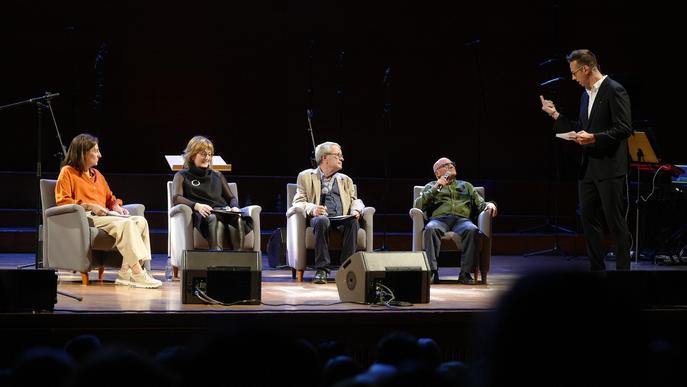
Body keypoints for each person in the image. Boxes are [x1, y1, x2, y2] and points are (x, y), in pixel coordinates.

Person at [540, 49, 632, 271]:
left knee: (615, 222)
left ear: (586, 68)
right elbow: (582, 129)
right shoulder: (586, 95)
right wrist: (555, 115)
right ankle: (597, 272)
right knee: (589, 221)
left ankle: (623, 275)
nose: (573, 78)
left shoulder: (614, 90)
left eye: (574, 73)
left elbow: (623, 128)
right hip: (589, 168)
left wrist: (594, 138)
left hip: (609, 168)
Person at [55, 133, 161, 288]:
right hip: (85, 218)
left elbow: (110, 198)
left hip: (105, 216)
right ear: (83, 152)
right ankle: (138, 272)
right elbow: (62, 201)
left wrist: (117, 206)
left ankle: (125, 273)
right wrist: (90, 206)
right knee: (127, 225)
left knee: (140, 221)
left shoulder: (97, 174)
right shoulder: (67, 172)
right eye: (96, 151)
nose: (100, 155)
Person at [415, 157, 497, 284]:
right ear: (437, 172)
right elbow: (418, 206)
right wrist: (437, 186)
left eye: (451, 164)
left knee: (472, 230)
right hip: (439, 220)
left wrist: (489, 205)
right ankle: (432, 272)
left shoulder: (466, 185)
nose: (451, 166)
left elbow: (481, 204)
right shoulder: (431, 186)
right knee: (430, 228)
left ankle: (465, 274)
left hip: (462, 220)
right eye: (446, 165)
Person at [292, 141, 365, 284]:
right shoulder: (305, 176)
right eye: (338, 155)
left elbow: (355, 199)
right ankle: (321, 270)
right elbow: (298, 202)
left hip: (341, 218)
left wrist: (356, 209)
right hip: (320, 218)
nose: (342, 159)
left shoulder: (346, 180)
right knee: (322, 221)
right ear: (325, 158)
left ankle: (346, 269)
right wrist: (313, 208)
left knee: (353, 222)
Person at [172, 136, 253, 251]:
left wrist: (235, 207)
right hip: (204, 214)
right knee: (213, 218)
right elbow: (176, 198)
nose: (207, 158)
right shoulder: (182, 175)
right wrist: (197, 206)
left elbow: (231, 197)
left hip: (223, 211)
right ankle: (216, 260)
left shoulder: (217, 175)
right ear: (192, 155)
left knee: (237, 219)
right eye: (203, 154)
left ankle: (239, 262)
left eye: (210, 154)